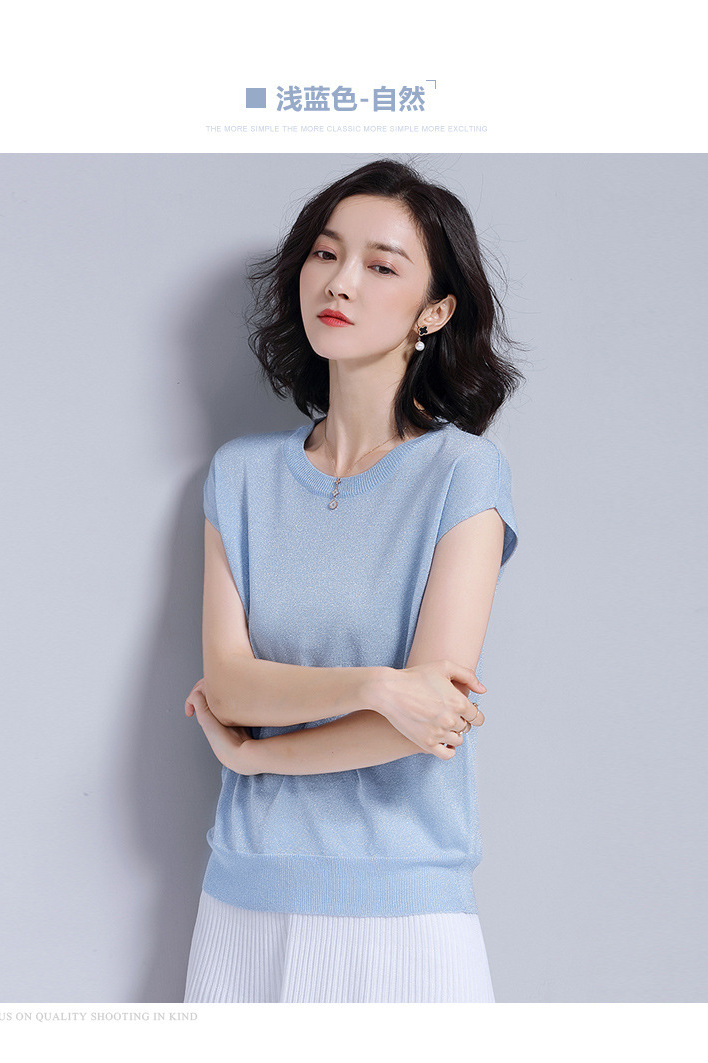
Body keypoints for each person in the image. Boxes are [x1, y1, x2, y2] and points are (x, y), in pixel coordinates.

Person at [182, 158, 525, 1003]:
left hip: (403, 913)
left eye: (382, 265)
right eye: (326, 254)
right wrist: (376, 685)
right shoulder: (241, 475)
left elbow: (424, 722)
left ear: (435, 311)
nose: (340, 281)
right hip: (241, 902)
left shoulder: (464, 473)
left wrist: (257, 758)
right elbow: (230, 684)